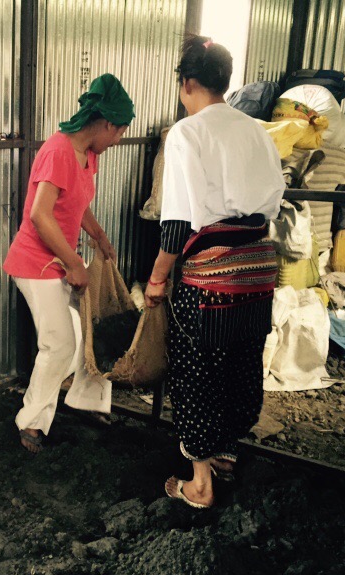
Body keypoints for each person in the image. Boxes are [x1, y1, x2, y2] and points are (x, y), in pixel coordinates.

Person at [145, 36, 285, 508]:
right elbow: (273, 204)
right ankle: (227, 452)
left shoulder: (188, 133)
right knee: (242, 360)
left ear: (186, 83)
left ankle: (199, 482)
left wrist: (158, 278)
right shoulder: (258, 130)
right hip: (259, 268)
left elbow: (179, 223)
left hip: (213, 276)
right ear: (225, 82)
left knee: (196, 371)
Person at [3, 73, 135, 453]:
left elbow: (76, 202)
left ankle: (87, 401)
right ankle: (31, 422)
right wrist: (74, 262)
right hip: (36, 263)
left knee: (95, 330)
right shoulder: (58, 151)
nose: (119, 140)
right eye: (120, 132)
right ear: (107, 123)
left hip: (60, 258)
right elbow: (41, 216)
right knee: (59, 344)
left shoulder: (88, 153)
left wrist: (98, 234)